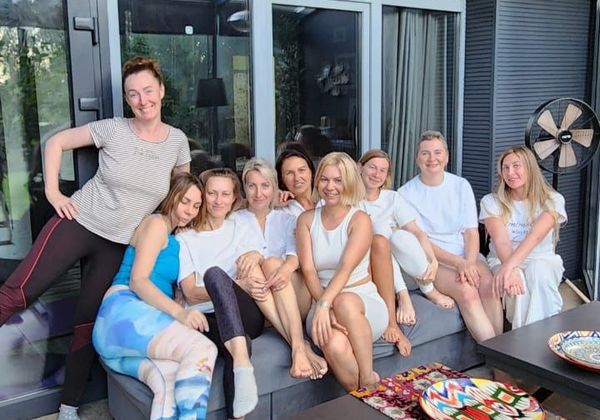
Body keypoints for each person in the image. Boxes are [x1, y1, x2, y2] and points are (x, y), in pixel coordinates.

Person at [0, 56, 190, 420]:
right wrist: (53, 193)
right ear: (127, 99)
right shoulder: (113, 129)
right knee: (18, 293)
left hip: (119, 245)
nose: (142, 100)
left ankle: (69, 407)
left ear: (162, 91)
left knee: (87, 322)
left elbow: (181, 195)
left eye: (148, 90)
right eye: (133, 94)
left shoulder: (177, 143)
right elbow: (56, 143)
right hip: (79, 222)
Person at [93, 173, 219, 419]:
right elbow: (138, 281)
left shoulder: (174, 238)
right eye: (185, 201)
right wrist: (180, 313)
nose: (190, 210)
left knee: (169, 383)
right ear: (171, 197)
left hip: (126, 334)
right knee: (202, 348)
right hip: (123, 310)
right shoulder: (156, 224)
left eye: (196, 206)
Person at [177, 168, 265, 419]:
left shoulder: (240, 224)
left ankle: (241, 361)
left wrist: (255, 256)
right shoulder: (185, 238)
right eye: (212, 193)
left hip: (245, 312)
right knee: (239, 342)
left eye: (226, 194)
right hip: (206, 319)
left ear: (234, 197)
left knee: (216, 275)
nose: (218, 200)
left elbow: (260, 254)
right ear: (202, 195)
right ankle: (242, 370)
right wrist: (233, 285)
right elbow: (190, 293)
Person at [398, 130, 503, 342]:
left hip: (467, 255)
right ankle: (496, 358)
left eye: (437, 152)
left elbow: (471, 232)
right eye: (425, 153)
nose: (432, 158)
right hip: (433, 260)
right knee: (467, 291)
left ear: (446, 157)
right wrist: (459, 264)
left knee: (488, 286)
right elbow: (422, 241)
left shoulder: (461, 185)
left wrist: (469, 263)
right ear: (417, 158)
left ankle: (499, 352)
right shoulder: (405, 194)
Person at [297, 152, 388, 391]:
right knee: (333, 343)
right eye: (325, 179)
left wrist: (327, 305)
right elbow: (308, 270)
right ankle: (366, 397)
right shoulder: (306, 220)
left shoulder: (360, 220)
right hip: (322, 300)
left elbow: (345, 269)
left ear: (348, 183)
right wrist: (323, 307)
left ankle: (367, 376)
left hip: (362, 302)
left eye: (338, 180)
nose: (330, 187)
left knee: (344, 301)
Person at [235, 159, 327, 379]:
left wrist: (275, 264)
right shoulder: (234, 221)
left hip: (296, 296)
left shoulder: (288, 219)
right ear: (244, 188)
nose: (259, 193)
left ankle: (298, 347)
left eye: (265, 186)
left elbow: (296, 256)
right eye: (252, 186)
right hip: (259, 303)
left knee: (271, 263)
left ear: (275, 187)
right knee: (252, 268)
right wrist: (255, 259)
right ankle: (299, 347)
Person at [357, 150, 453, 353]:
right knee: (380, 235)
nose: (376, 174)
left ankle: (428, 289)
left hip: (399, 266)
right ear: (360, 167)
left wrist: (433, 260)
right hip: (369, 266)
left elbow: (417, 232)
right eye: (372, 167)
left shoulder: (392, 198)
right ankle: (403, 295)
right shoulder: (350, 200)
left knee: (398, 235)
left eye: (382, 170)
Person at [480, 146, 566, 329]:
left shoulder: (552, 199)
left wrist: (509, 268)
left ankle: (528, 336)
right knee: (516, 281)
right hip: (502, 259)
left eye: (516, 166)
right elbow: (501, 241)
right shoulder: (491, 202)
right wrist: (510, 269)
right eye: (505, 168)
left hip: (542, 258)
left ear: (530, 167)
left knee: (538, 271)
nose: (510, 173)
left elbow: (535, 237)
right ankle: (535, 336)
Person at [275, 143, 317, 218]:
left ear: (311, 171)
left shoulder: (325, 201)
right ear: (281, 179)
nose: (297, 178)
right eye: (289, 173)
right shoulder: (280, 211)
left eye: (301, 170)